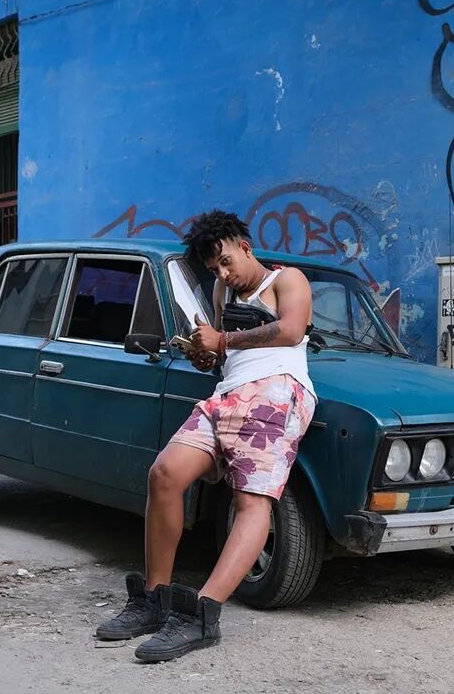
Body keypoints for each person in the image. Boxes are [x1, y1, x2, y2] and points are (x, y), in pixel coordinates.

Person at [96, 209, 317, 663]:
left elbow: (292, 330)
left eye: (225, 262)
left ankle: (202, 615)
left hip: (277, 391)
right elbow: (220, 352)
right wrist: (206, 355)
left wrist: (223, 341)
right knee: (164, 474)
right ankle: (154, 600)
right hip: (227, 394)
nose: (222, 274)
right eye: (214, 268)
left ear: (244, 247)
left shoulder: (286, 280)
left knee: (252, 502)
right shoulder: (221, 291)